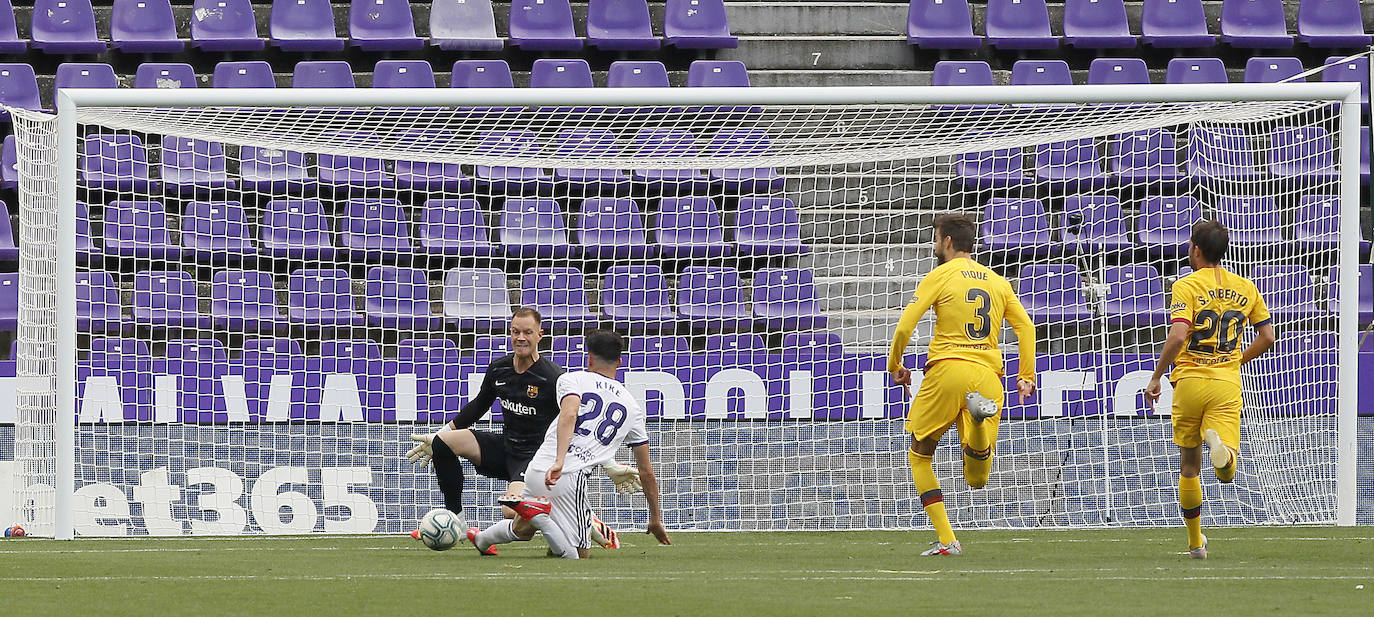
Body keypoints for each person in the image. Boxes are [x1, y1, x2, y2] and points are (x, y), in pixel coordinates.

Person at [405, 309, 622, 549]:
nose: (521, 337)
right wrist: (439, 433)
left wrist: (608, 463)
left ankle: (584, 519)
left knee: (511, 513)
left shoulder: (553, 378)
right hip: (506, 447)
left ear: (540, 335)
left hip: (534, 459)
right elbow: (478, 406)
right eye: (516, 332)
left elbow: (578, 422)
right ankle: (458, 521)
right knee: (443, 443)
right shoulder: (499, 369)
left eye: (528, 332)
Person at [888, 214, 1037, 556]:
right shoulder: (999, 282)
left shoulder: (939, 275)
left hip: (946, 371)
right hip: (986, 376)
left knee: (920, 455)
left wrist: (896, 365)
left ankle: (947, 540)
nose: (935, 244)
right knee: (977, 479)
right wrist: (1025, 375)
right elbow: (1026, 328)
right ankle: (980, 421)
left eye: (937, 238)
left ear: (949, 242)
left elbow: (903, 327)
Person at [468, 329, 671, 558]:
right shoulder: (632, 407)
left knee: (521, 529)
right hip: (567, 477)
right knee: (577, 556)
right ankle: (542, 518)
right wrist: (655, 518)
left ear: (590, 358)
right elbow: (646, 472)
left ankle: (481, 539)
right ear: (620, 362)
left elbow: (569, 414)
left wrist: (558, 459)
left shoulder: (570, 379)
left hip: (536, 469)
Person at [1145, 220, 1277, 559]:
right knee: (1226, 470)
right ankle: (1224, 456)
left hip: (1189, 380)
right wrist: (1236, 360)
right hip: (1225, 382)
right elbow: (1268, 337)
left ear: (1196, 250)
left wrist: (1157, 376)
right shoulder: (1246, 287)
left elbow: (1177, 337)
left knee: (1189, 466)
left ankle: (1194, 543)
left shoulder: (1185, 285)